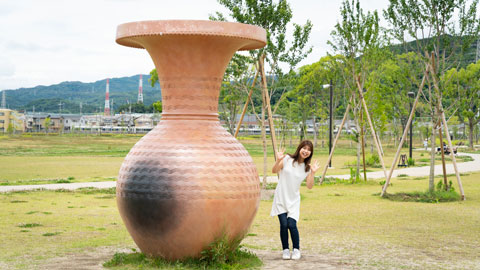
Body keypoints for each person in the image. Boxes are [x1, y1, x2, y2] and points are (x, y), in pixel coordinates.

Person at [270, 140, 320, 260]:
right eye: (304, 148)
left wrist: (312, 173)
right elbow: (274, 170)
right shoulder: (287, 159)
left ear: (310, 153)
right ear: (299, 148)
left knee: (292, 225)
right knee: (283, 224)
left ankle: (296, 249)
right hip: (281, 197)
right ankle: (286, 250)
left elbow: (309, 186)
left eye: (309, 150)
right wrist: (278, 160)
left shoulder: (307, 168)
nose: (306, 151)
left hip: (293, 200)